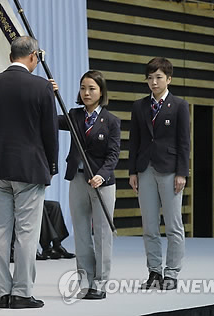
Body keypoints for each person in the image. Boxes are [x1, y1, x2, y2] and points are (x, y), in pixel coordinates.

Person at [0, 36, 58, 309]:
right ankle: (22, 293)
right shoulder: (41, 87)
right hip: (29, 168)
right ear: (33, 56)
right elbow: (50, 133)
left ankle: (2, 294)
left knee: (0, 232)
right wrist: (52, 165)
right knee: (26, 233)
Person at [51, 71, 120, 300]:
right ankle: (85, 280)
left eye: (91, 88)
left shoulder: (111, 121)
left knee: (101, 234)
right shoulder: (74, 115)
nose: (87, 92)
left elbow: (113, 155)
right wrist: (49, 95)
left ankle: (100, 284)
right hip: (78, 180)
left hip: (102, 183)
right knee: (81, 233)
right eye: (83, 88)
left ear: (101, 91)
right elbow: (49, 119)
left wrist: (101, 175)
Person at [0, 120, 71, 262]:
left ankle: (56, 245)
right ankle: (45, 247)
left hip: (4, 191)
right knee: (34, 206)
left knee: (52, 205)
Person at [128, 57, 189, 291]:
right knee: (149, 226)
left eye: (159, 77)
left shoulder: (180, 105)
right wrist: (132, 170)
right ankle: (154, 271)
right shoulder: (139, 106)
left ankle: (172, 272)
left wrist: (182, 172)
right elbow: (134, 141)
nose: (154, 82)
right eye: (150, 77)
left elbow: (184, 143)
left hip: (171, 170)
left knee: (174, 225)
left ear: (169, 79)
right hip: (144, 170)